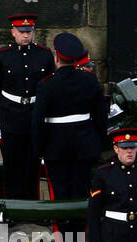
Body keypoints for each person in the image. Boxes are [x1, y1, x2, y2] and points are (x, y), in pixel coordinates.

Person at [32, 32, 107, 201]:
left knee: (60, 193)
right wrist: (97, 143)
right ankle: (80, 226)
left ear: (57, 58)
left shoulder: (47, 84)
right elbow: (101, 116)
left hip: (56, 147)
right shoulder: (89, 80)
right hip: (85, 144)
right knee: (81, 191)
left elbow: (38, 121)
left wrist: (39, 150)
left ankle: (65, 227)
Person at [0, 15, 55, 200]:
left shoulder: (44, 54)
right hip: (10, 115)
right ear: (13, 32)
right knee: (12, 165)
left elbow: (50, 87)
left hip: (35, 114)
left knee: (32, 165)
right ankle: (13, 208)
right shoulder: (2, 56)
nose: (26, 36)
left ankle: (31, 205)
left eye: (29, 31)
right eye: (22, 32)